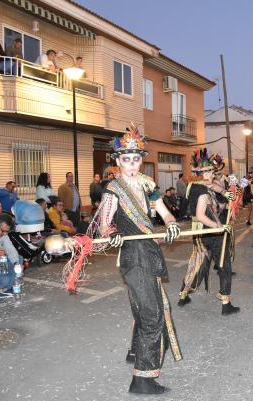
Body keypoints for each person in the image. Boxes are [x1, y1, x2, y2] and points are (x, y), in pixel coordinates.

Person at [96, 125, 181, 394]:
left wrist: (170, 223)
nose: (132, 164)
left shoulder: (148, 184)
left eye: (136, 159)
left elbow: (163, 211)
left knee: (145, 305)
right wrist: (113, 234)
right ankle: (142, 378)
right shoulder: (113, 189)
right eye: (126, 159)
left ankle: (135, 351)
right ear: (117, 161)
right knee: (152, 314)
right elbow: (103, 225)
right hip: (134, 255)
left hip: (150, 250)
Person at [178, 150, 238, 315]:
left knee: (199, 264)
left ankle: (183, 294)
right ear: (201, 173)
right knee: (224, 264)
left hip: (201, 234)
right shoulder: (203, 192)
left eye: (212, 171)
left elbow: (215, 190)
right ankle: (226, 302)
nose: (212, 173)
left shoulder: (195, 186)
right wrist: (218, 227)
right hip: (210, 232)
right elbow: (201, 215)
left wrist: (227, 195)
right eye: (210, 171)